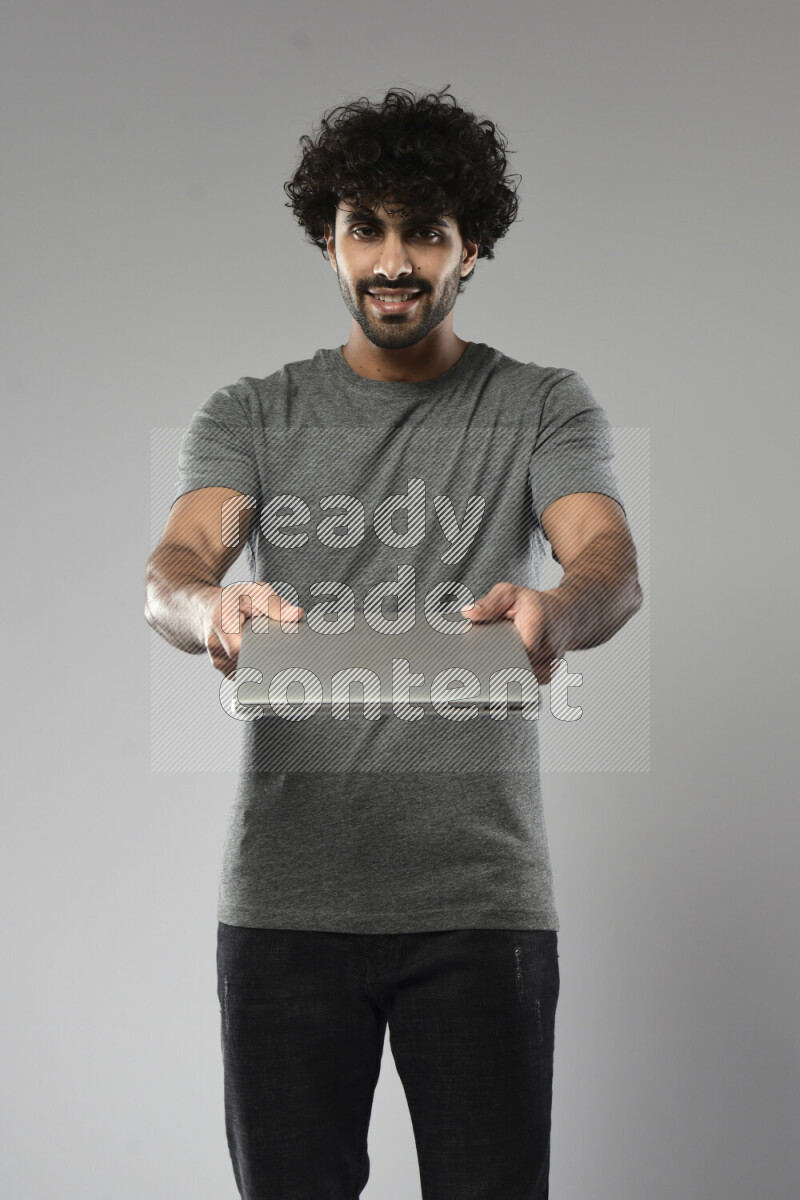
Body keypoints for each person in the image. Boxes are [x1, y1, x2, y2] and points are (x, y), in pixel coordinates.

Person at [144, 85, 643, 1200]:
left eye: (426, 230)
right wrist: (211, 611)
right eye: (365, 226)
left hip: (480, 905)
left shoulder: (539, 406)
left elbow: (604, 558)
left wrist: (555, 612)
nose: (394, 258)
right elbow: (175, 569)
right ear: (328, 238)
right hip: (282, 907)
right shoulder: (254, 414)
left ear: (473, 249)